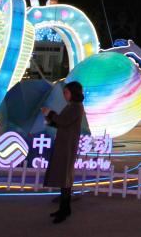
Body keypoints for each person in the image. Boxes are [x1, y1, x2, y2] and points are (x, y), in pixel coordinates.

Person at [41, 81, 86, 224]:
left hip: (67, 146)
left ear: (74, 93)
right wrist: (50, 119)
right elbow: (63, 122)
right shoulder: (72, 106)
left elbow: (63, 121)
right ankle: (64, 208)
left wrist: (50, 113)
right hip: (64, 144)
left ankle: (65, 209)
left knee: (65, 178)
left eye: (66, 92)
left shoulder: (76, 107)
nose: (64, 95)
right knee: (64, 178)